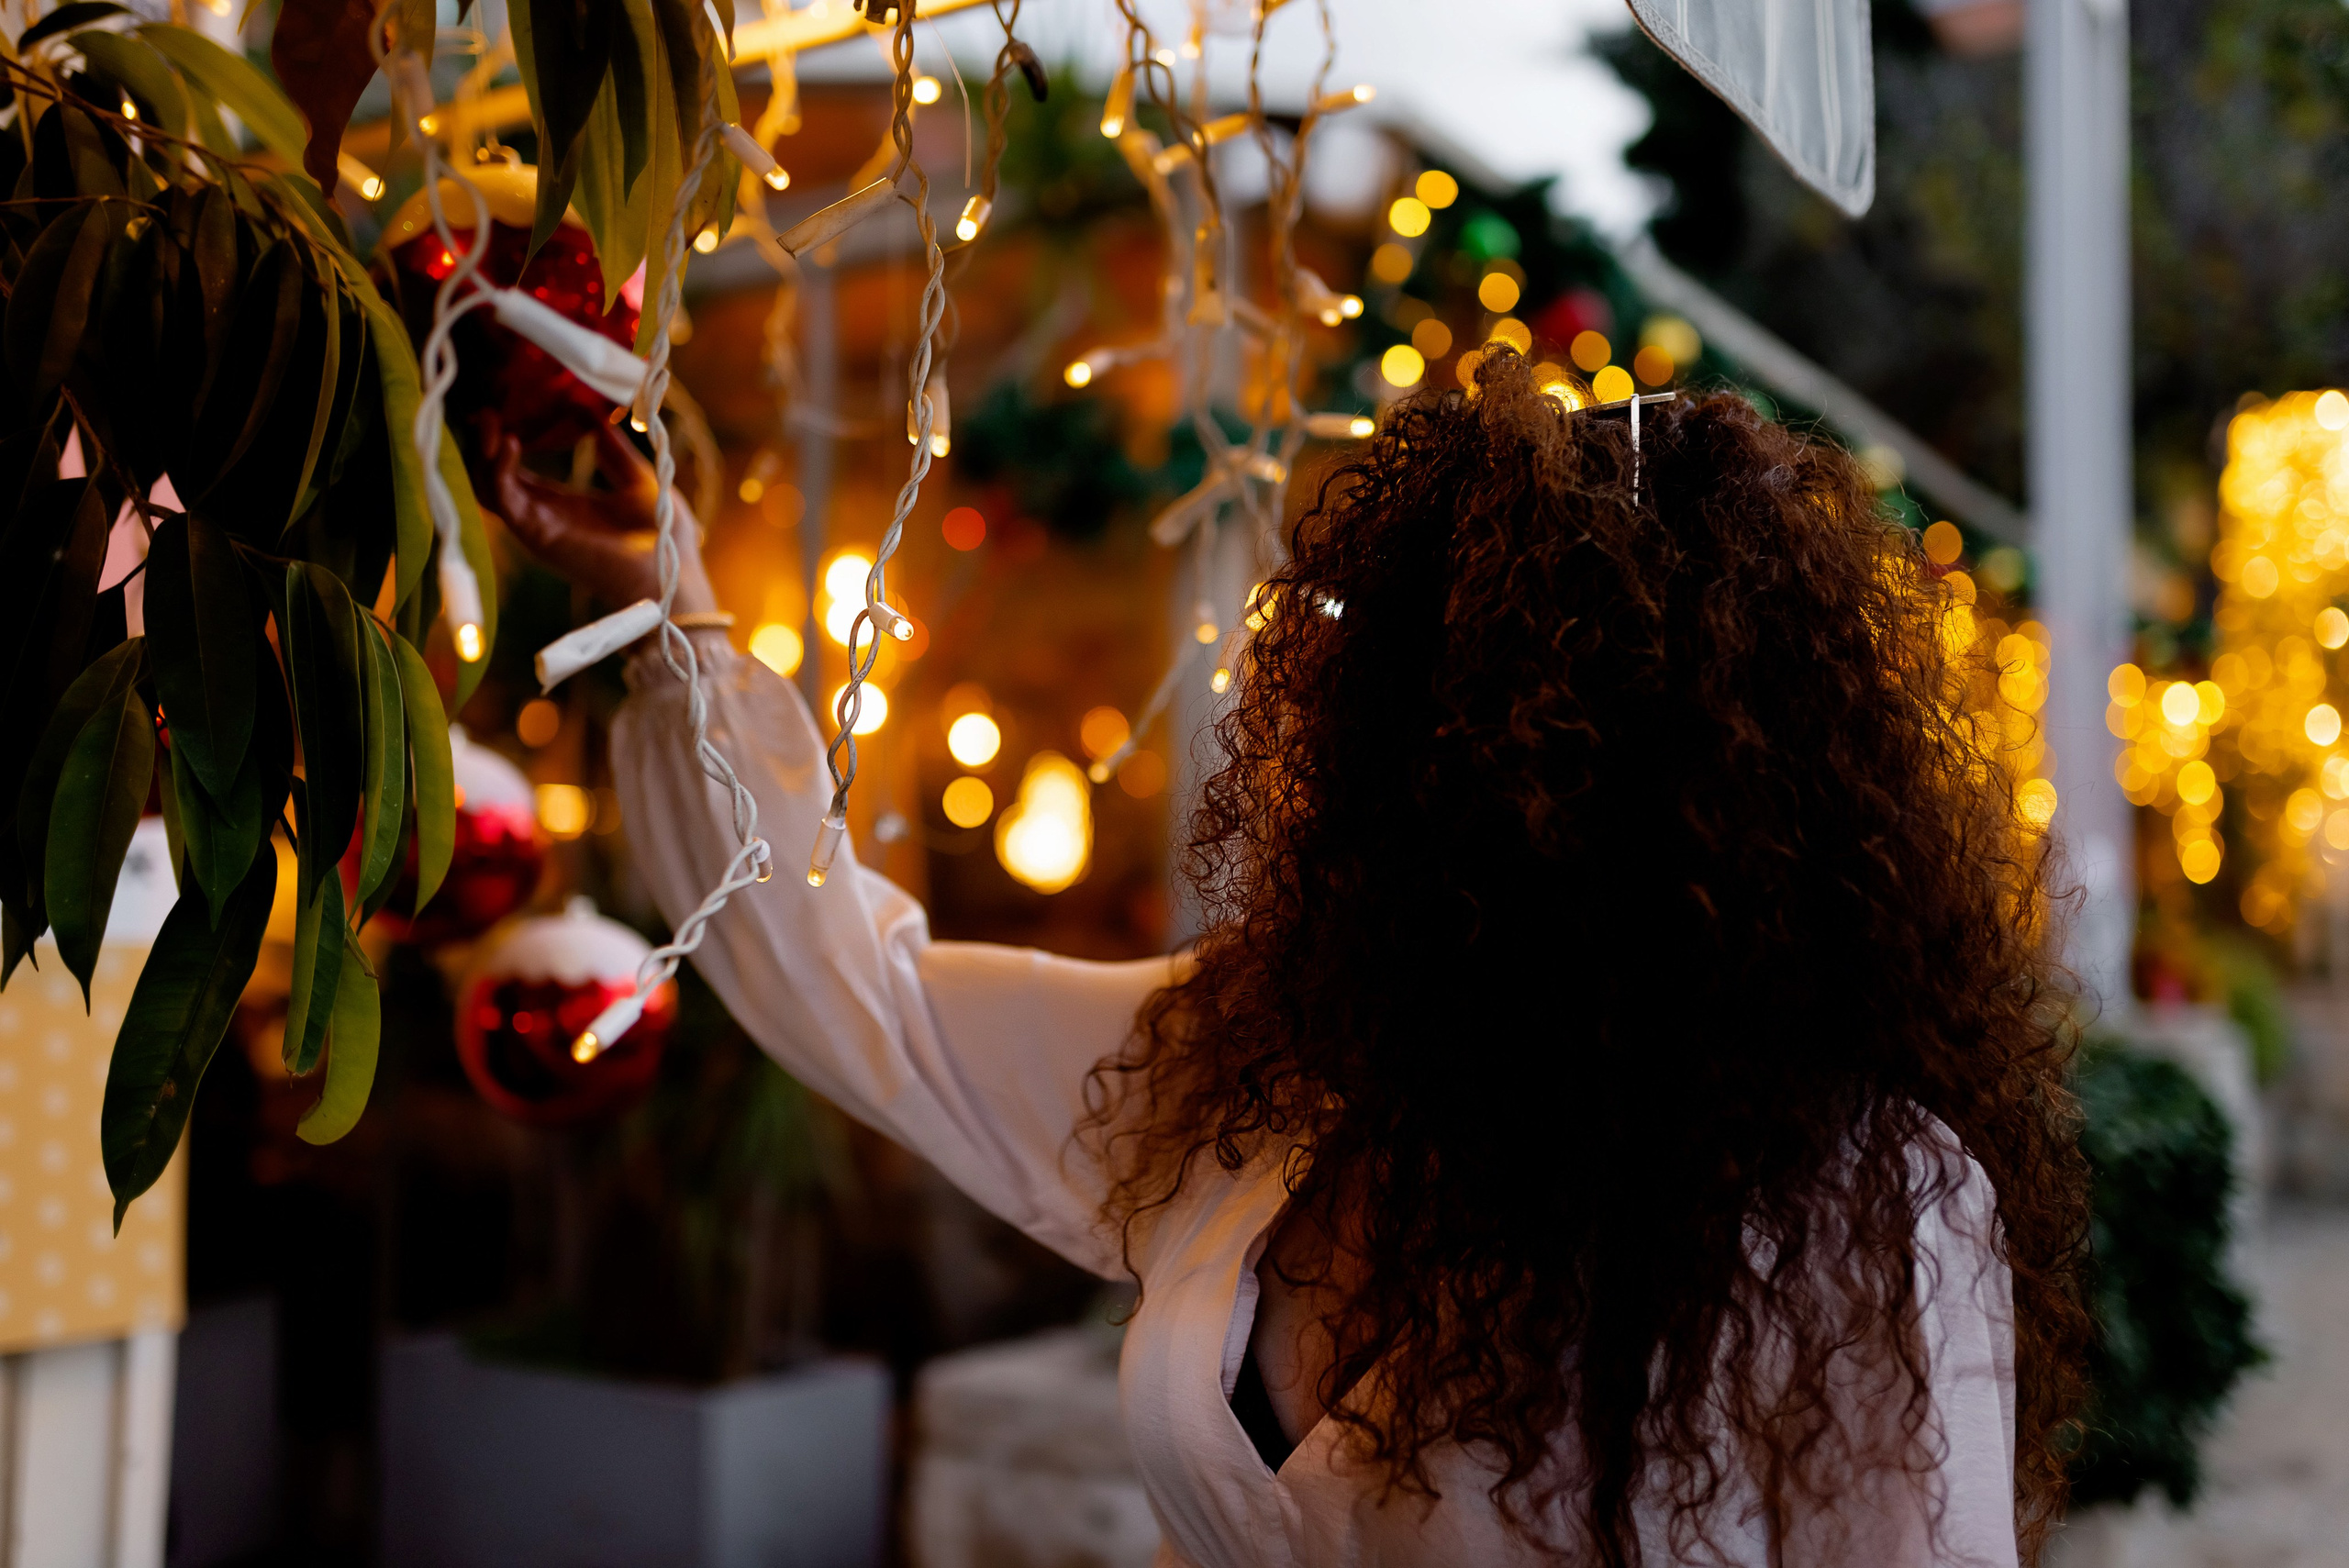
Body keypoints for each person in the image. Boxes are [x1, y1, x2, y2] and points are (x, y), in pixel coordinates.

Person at [494, 347, 2090, 1568]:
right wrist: (672, 613)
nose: (1465, 787)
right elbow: (880, 1001)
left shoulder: (1863, 1199)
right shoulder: (1282, 1062)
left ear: (1734, 799)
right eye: (1425, 720)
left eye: (1536, 745)